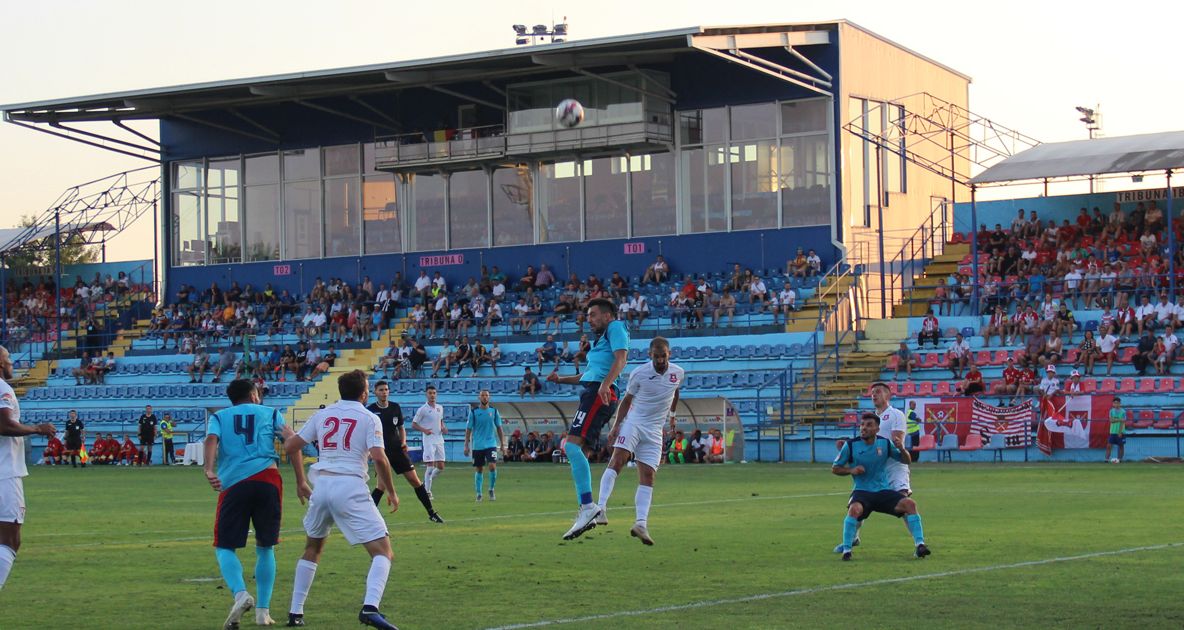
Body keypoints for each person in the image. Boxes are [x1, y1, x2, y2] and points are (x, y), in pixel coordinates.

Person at [283, 370, 400, 630]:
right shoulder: (370, 418)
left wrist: (301, 481)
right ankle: (370, 608)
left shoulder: (322, 414)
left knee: (312, 548)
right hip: (350, 487)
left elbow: (291, 447)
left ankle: (295, 612)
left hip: (321, 486)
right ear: (364, 393)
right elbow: (379, 457)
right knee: (383, 552)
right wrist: (390, 490)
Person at [203, 379, 292, 628]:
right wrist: (301, 480)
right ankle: (263, 612)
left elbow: (211, 440)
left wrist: (208, 469)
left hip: (234, 483)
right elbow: (291, 440)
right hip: (269, 479)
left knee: (224, 546)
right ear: (254, 395)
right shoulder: (271, 412)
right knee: (266, 546)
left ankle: (241, 594)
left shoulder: (220, 417)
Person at [546, 298, 630, 539]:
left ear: (607, 315)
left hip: (599, 393)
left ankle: (588, 507)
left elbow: (621, 359)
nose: (589, 319)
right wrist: (561, 379)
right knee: (573, 448)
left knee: (571, 446)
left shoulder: (616, 327)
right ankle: (591, 509)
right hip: (594, 390)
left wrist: (605, 384)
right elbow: (589, 374)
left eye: (593, 315)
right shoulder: (600, 342)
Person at [593, 337, 683, 545]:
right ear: (649, 355)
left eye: (663, 356)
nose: (660, 360)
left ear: (669, 354)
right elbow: (627, 400)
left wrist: (673, 415)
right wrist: (617, 426)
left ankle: (640, 524)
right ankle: (601, 509)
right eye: (656, 356)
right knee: (618, 461)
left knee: (649, 476)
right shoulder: (639, 374)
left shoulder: (678, 373)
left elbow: (675, 391)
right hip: (635, 423)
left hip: (654, 430)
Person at [831, 412, 929, 561]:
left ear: (877, 429)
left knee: (910, 504)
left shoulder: (884, 443)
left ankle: (920, 545)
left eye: (869, 425)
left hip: (883, 491)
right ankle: (847, 550)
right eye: (862, 425)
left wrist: (902, 449)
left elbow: (906, 461)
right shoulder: (850, 445)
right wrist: (851, 470)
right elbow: (835, 468)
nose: (864, 428)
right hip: (862, 491)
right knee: (854, 510)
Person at [0, 345, 57, 590]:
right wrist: (37, 429)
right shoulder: (2, 388)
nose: (12, 362)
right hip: (5, 474)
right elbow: (4, 425)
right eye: (8, 358)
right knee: (10, 539)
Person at [367, 381, 443, 524]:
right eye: (381, 390)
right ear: (375, 392)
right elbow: (366, 432)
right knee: (381, 486)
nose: (384, 392)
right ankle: (367, 518)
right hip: (381, 451)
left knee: (415, 481)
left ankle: (431, 513)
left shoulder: (395, 407)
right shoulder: (370, 410)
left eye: (386, 389)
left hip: (397, 450)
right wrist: (370, 451)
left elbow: (401, 428)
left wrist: (403, 442)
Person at [463, 390, 506, 503]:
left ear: (489, 397)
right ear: (479, 397)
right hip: (478, 445)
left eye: (486, 395)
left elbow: (499, 428)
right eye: (482, 395)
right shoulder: (474, 412)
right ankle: (479, 493)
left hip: (491, 443)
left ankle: (491, 489)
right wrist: (466, 445)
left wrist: (502, 444)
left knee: (492, 465)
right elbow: (468, 429)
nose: (485, 397)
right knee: (479, 469)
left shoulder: (494, 411)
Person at [411, 385, 447, 498]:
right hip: (429, 440)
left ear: (436, 394)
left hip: (439, 439)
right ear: (426, 394)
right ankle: (427, 491)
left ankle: (427, 480)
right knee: (430, 466)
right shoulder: (422, 409)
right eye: (430, 393)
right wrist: (424, 430)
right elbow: (414, 424)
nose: (432, 395)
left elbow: (440, 421)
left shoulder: (440, 408)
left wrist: (443, 427)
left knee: (441, 466)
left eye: (434, 393)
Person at [1106, 397, 1126, 463]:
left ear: (1120, 404)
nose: (1116, 404)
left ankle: (1120, 459)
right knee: (1109, 445)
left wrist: (1120, 432)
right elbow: (1111, 421)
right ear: (1113, 404)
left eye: (1117, 403)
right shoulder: (1111, 411)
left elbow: (1123, 422)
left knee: (1121, 446)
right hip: (1113, 431)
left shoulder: (1123, 411)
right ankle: (1106, 459)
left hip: (1120, 432)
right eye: (1115, 403)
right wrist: (1119, 419)